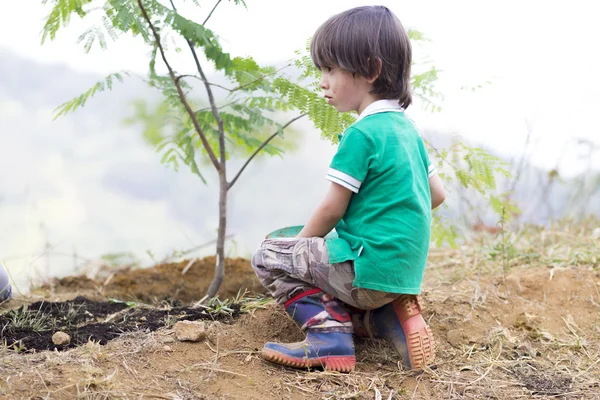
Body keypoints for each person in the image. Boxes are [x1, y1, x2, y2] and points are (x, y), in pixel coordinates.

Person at [251, 5, 446, 372]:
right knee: (305, 243)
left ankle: (329, 336)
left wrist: (300, 249)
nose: (322, 81)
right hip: (402, 272)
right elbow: (437, 196)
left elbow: (332, 210)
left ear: (371, 70)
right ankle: (384, 316)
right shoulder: (408, 131)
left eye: (330, 69)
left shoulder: (361, 134)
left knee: (270, 252)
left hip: (364, 270)